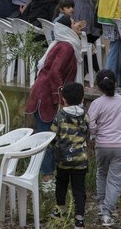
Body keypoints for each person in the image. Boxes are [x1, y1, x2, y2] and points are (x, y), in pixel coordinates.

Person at [26, 16, 81, 189]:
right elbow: (54, 73)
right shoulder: (66, 47)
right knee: (47, 138)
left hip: (43, 94)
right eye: (73, 23)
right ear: (66, 28)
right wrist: (60, 99)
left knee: (46, 137)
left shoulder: (61, 44)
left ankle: (41, 177)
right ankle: (47, 180)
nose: (77, 25)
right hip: (47, 98)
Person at [88, 70, 121, 228]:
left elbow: (91, 125)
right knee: (115, 180)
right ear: (115, 82)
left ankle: (101, 204)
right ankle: (107, 213)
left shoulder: (96, 103)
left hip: (103, 145)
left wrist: (96, 133)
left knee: (101, 172)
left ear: (99, 86)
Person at [50, 82, 89, 229]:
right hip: (81, 160)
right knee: (79, 189)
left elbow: (53, 135)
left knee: (61, 184)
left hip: (63, 160)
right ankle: (79, 219)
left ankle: (60, 210)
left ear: (64, 99)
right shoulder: (85, 115)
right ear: (82, 99)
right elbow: (87, 134)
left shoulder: (60, 115)